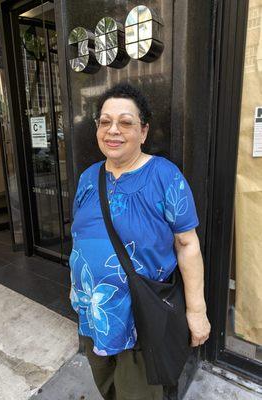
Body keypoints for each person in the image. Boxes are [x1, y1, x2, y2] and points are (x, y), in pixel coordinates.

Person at [69, 83, 211, 400]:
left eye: (126, 122)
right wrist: (74, 288)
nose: (113, 130)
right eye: (105, 122)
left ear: (143, 131)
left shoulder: (164, 176)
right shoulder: (88, 178)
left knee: (139, 393)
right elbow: (79, 236)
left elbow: (188, 245)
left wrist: (196, 311)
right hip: (94, 313)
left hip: (141, 319)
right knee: (106, 385)